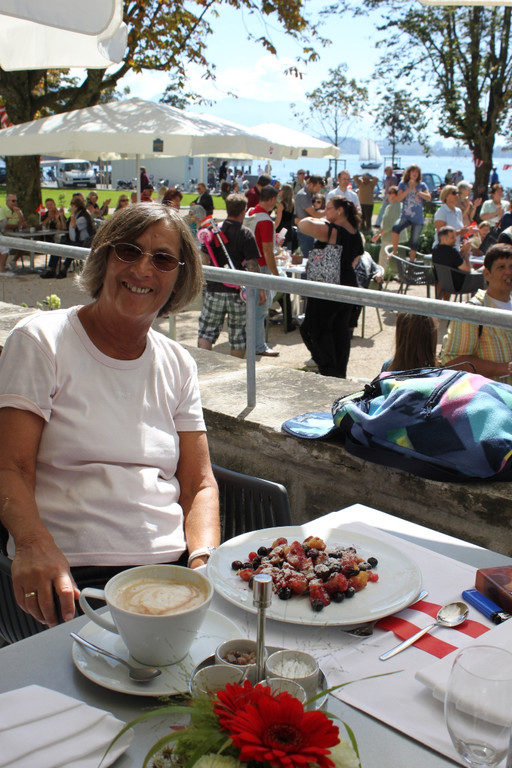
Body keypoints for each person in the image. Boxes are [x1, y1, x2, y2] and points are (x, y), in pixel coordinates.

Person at [0, 203, 219, 627]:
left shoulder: (178, 363)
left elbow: (199, 483)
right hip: (70, 575)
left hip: (172, 569)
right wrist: (31, 543)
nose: (143, 269)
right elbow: (10, 466)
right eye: (128, 251)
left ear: (179, 278)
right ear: (104, 257)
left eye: (162, 259)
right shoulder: (41, 341)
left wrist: (204, 561)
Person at [298, 197, 364, 378]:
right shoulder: (355, 233)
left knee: (313, 329)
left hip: (327, 286)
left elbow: (303, 224)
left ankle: (329, 370)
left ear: (340, 210)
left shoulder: (333, 230)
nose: (325, 212)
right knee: (339, 331)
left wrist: (319, 216)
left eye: (328, 208)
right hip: (348, 285)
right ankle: (339, 373)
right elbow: (354, 260)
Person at [197, 193, 264, 358]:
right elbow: (252, 266)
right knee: (238, 336)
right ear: (243, 211)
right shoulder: (246, 234)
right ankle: (234, 369)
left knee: (207, 331)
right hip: (238, 293)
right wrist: (261, 288)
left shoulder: (212, 231)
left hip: (214, 289)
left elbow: (204, 260)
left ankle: (203, 365)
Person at [441, 243, 512, 385]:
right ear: (487, 274)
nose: (508, 272)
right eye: (501, 267)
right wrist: (502, 368)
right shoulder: (473, 311)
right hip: (492, 394)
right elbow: (452, 362)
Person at [246, 185, 280, 357]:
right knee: (261, 307)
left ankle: (251, 341)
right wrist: (276, 274)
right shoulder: (265, 220)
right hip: (261, 266)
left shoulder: (251, 213)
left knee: (252, 306)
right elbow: (267, 250)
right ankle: (259, 345)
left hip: (248, 264)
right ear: (272, 199)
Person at [41, 194, 96, 279]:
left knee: (72, 249)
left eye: (72, 206)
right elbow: (65, 227)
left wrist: (72, 214)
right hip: (72, 241)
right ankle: (51, 269)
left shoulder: (84, 216)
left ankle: (64, 269)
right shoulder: (75, 215)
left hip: (83, 242)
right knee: (57, 247)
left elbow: (74, 225)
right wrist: (61, 216)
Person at [391, 164, 431, 261]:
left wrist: (416, 191)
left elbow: (429, 198)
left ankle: (411, 262)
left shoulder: (422, 185)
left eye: (417, 172)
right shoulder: (402, 184)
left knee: (414, 242)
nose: (415, 174)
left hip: (418, 218)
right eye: (413, 172)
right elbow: (399, 198)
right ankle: (395, 251)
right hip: (406, 215)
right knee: (395, 228)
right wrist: (409, 188)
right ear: (409, 173)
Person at [431, 225, 472, 300]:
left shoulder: (435, 250)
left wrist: (461, 252)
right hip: (457, 285)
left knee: (442, 277)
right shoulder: (452, 252)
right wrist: (466, 252)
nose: (455, 239)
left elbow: (451, 260)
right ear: (443, 239)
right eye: (452, 237)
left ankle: (439, 302)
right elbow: (467, 269)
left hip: (442, 282)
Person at [371, 186, 406, 267]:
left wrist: (378, 234)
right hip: (393, 237)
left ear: (397, 194)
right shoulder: (393, 206)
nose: (389, 194)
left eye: (391, 192)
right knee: (396, 261)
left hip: (390, 238)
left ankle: (382, 274)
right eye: (388, 192)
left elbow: (390, 225)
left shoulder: (396, 207)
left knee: (383, 259)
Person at [294, 174, 325, 260]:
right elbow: (315, 214)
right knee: (307, 259)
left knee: (312, 259)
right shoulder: (303, 195)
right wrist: (330, 211)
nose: (319, 190)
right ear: (311, 184)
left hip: (311, 232)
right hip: (305, 232)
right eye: (318, 187)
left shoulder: (310, 195)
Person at [0, 192, 27, 276]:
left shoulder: (18, 210)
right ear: (7, 201)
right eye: (13, 201)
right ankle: (2, 270)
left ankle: (13, 261)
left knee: (25, 244)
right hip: (4, 234)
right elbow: (4, 226)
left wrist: (19, 214)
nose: (15, 203)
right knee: (5, 248)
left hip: (14, 234)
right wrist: (17, 225)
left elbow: (24, 225)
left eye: (16, 201)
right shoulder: (2, 210)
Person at [274, 183, 298, 253]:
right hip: (289, 228)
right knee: (287, 251)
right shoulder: (292, 203)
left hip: (280, 229)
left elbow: (278, 220)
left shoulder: (281, 204)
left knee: (278, 251)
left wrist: (272, 230)